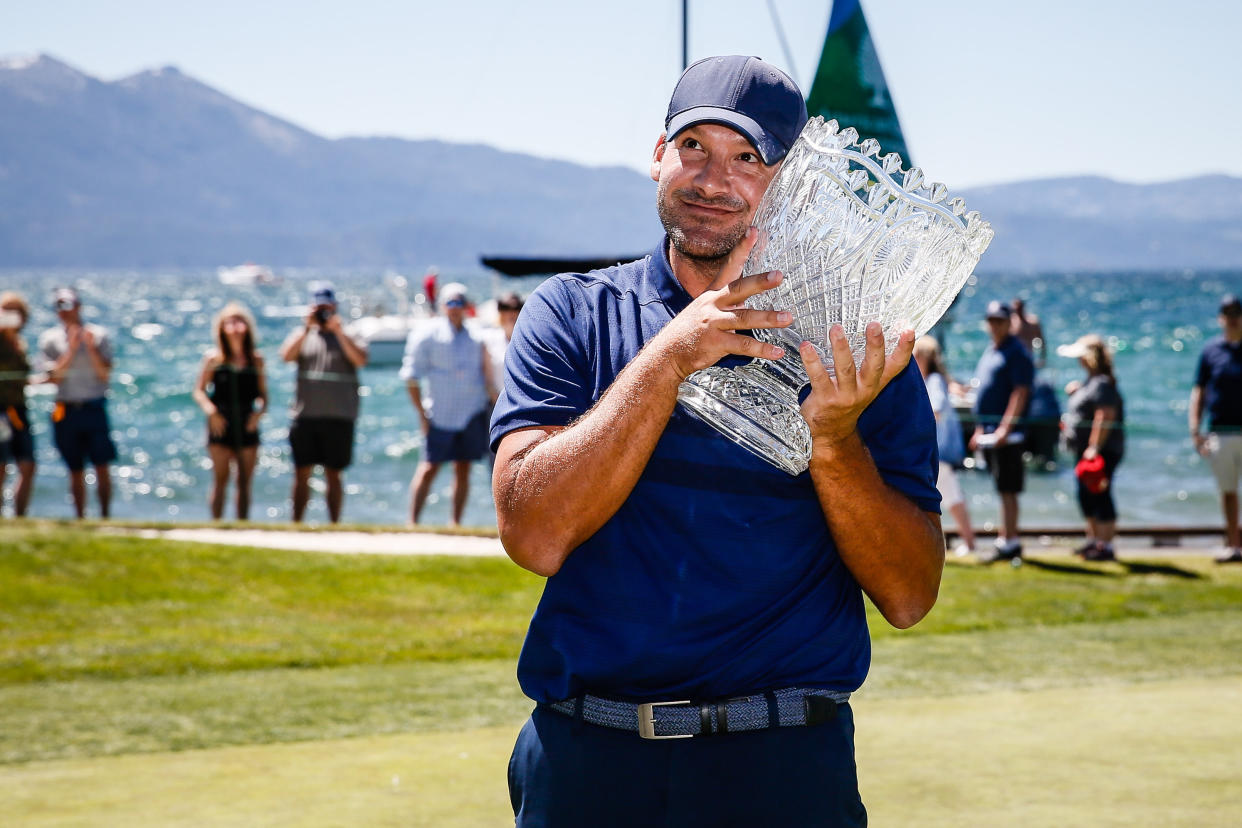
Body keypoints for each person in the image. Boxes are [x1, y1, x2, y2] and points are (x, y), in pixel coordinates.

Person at [490, 55, 943, 827]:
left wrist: (832, 442)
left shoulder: (856, 349)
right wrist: (670, 355)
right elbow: (533, 536)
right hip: (589, 760)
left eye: (748, 159)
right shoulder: (572, 313)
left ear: (794, 185)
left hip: (783, 768)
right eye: (693, 146)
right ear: (657, 154)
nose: (711, 179)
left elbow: (909, 595)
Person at [401, 282, 496, 526]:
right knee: (429, 467)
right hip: (439, 415)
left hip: (471, 414)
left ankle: (455, 523)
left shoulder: (477, 336)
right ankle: (413, 522)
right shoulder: (427, 335)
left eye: (460, 302)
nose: (455, 308)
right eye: (451, 302)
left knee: (463, 469)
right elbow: (411, 377)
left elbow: (486, 373)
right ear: (443, 305)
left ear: (466, 306)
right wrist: (422, 415)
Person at [279, 282, 367, 523]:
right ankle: (296, 524)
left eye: (327, 306)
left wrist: (338, 332)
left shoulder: (348, 333)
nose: (323, 311)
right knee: (301, 473)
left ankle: (334, 524)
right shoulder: (304, 334)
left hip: (340, 416)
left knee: (334, 475)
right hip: (305, 415)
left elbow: (360, 360)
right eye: (319, 307)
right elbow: (286, 356)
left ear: (336, 307)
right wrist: (307, 328)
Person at [37, 287, 117, 518]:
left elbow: (105, 374)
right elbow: (53, 377)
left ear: (78, 306)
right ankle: (79, 518)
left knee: (102, 466)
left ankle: (105, 516)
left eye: (67, 304)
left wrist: (89, 347)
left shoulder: (98, 335)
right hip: (66, 409)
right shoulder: (50, 339)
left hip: (94, 407)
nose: (63, 311)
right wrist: (71, 349)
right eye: (58, 306)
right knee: (75, 469)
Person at [970, 300, 1034, 562]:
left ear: (1010, 322)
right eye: (991, 320)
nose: (995, 325)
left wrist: (1005, 428)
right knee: (1001, 488)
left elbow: (1020, 391)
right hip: (990, 432)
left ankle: (1011, 542)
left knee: (1009, 490)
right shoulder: (993, 349)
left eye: (1000, 320)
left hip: (1007, 435)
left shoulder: (1016, 351)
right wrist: (978, 429)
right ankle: (1005, 539)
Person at [192, 302, 268, 520]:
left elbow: (264, 396)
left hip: (246, 421)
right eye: (230, 322)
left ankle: (242, 525)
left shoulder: (256, 359)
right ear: (222, 327)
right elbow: (199, 391)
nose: (236, 326)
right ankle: (216, 525)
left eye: (239, 321)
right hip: (220, 421)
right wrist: (211, 412)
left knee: (244, 480)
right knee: (220, 478)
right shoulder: (213, 359)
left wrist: (258, 414)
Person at [1059, 334, 1125, 561]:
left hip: (1101, 452)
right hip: (1085, 451)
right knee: (1086, 495)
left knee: (1100, 494)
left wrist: (1094, 446)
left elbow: (1105, 415)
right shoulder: (1092, 382)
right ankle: (1094, 540)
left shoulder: (1103, 383)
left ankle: (1106, 545)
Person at [1190, 294, 1242, 563]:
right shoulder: (1211, 351)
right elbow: (1199, 390)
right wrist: (1195, 428)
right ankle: (1234, 545)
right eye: (1228, 314)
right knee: (1228, 490)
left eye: (1237, 314)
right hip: (1220, 430)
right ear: (1221, 318)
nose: (1233, 319)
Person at [914, 335, 976, 556]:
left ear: (921, 357)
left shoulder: (933, 381)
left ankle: (967, 543)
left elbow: (936, 409)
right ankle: (966, 542)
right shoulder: (936, 379)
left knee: (950, 498)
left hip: (938, 452)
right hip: (939, 452)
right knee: (949, 498)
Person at [0, 292, 36, 516]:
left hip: (18, 410)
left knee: (28, 464)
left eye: (16, 312)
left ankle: (19, 516)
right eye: (7, 312)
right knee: (0, 465)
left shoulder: (19, 343)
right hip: (0, 411)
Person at [1010, 297, 1046, 367]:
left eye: (1019, 308)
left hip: (1028, 356)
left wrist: (1042, 358)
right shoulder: (1010, 323)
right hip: (1013, 358)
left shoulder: (1033, 322)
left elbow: (1041, 341)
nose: (1018, 311)